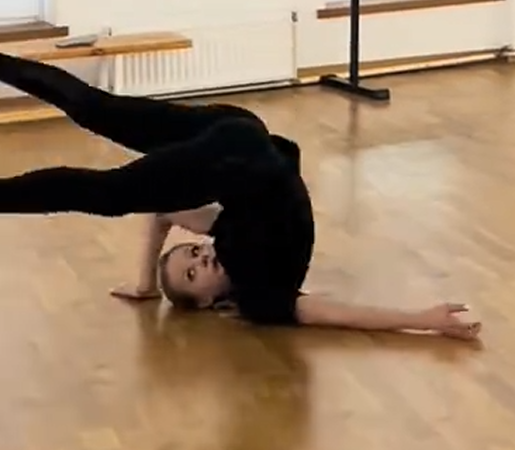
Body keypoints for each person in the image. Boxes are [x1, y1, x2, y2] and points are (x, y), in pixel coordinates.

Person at [0, 51, 482, 341]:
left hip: (236, 143)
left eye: (190, 258)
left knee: (104, 153)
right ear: (211, 302)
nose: (200, 257)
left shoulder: (226, 233)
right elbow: (335, 313)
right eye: (194, 271)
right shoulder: (261, 298)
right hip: (242, 144)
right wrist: (421, 320)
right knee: (103, 150)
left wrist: (147, 282)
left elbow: (163, 210)